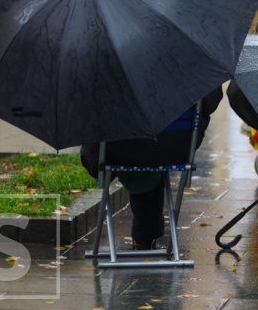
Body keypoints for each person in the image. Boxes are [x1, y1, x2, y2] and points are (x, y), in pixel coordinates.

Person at [80, 88, 223, 249]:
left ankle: (145, 232)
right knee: (152, 150)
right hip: (175, 149)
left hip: (120, 151)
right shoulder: (189, 67)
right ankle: (146, 233)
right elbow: (211, 101)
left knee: (135, 148)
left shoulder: (108, 70)